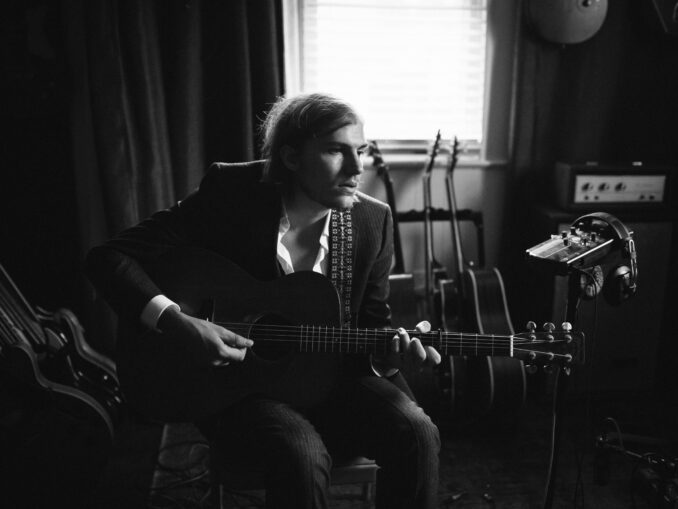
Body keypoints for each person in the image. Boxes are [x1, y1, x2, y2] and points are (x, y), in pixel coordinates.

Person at [85, 92, 441, 508]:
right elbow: (109, 258)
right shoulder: (231, 193)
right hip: (239, 387)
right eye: (335, 150)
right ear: (290, 157)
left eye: (359, 151)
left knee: (418, 431)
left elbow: (371, 325)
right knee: (301, 452)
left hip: (333, 377)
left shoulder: (371, 219)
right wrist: (175, 321)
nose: (357, 167)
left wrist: (389, 357)